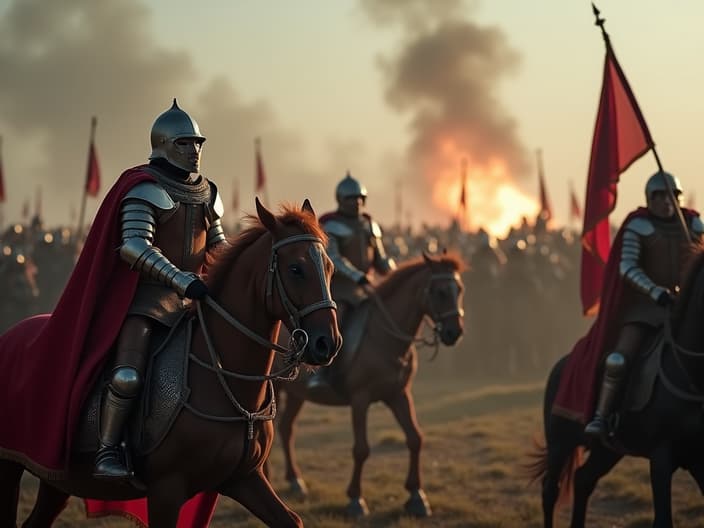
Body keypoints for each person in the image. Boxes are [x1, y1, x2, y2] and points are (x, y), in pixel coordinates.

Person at [91, 99, 228, 479]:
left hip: (194, 302)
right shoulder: (145, 187)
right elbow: (135, 247)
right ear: (164, 144)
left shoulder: (207, 193)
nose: (194, 151)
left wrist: (234, 275)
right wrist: (183, 280)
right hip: (146, 301)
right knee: (127, 376)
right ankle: (107, 451)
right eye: (185, 143)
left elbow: (219, 247)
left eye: (197, 143)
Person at [583, 170, 703, 440]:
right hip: (646, 309)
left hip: (684, 308)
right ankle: (604, 416)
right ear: (650, 199)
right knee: (619, 359)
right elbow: (627, 267)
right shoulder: (639, 226)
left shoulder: (694, 226)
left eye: (671, 196)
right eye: (659, 196)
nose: (666, 202)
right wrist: (655, 291)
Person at [307, 172, 396, 391]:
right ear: (341, 200)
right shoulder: (332, 226)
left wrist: (395, 273)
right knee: (341, 322)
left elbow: (380, 258)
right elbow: (335, 259)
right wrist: (358, 276)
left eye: (359, 198)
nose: (356, 202)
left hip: (366, 289)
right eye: (350, 198)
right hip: (340, 289)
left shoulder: (369, 225)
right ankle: (324, 373)